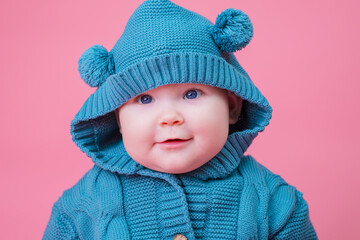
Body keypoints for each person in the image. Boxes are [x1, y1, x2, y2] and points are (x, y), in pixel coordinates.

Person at [43, 0, 317, 239]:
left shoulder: (276, 203)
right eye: (145, 99)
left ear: (232, 107)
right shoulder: (80, 210)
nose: (170, 117)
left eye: (192, 93)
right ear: (118, 118)